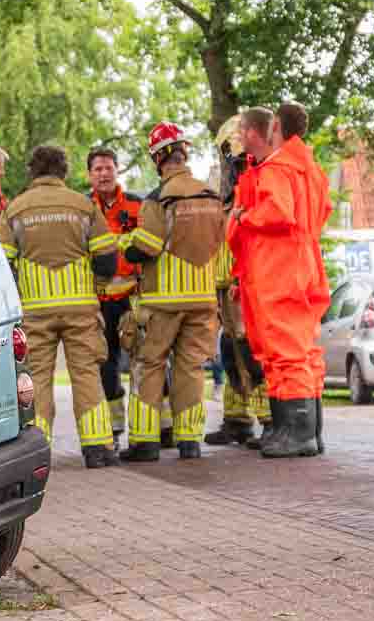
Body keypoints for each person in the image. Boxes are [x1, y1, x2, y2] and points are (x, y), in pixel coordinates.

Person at [0, 145, 123, 468]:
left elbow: (2, 265)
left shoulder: (16, 209)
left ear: (32, 172)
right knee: (86, 375)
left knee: (37, 378)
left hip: (35, 309)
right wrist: (93, 289)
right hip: (80, 308)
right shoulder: (83, 206)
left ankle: (39, 451)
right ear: (63, 172)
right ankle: (98, 449)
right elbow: (108, 259)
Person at [229, 103, 333, 458]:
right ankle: (306, 431)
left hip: (277, 269)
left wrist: (243, 216)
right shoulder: (310, 170)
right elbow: (321, 212)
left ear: (274, 127)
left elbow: (277, 211)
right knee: (303, 350)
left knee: (285, 350)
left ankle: (297, 433)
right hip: (303, 262)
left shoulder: (277, 169)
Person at [120, 122, 227, 461]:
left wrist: (125, 246)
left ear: (158, 158)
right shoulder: (212, 197)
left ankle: (145, 442)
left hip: (163, 301)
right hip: (202, 298)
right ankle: (190, 441)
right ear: (184, 153)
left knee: (149, 365)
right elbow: (222, 245)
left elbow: (147, 248)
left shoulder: (158, 199)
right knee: (191, 369)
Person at [203, 115, 270, 447]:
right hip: (226, 286)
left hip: (244, 286)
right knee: (231, 352)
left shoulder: (255, 190)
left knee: (252, 353)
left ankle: (269, 420)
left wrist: (241, 279)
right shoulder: (229, 196)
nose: (230, 164)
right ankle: (237, 419)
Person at [86, 146, 143, 448]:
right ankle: (114, 428)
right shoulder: (83, 207)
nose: (104, 174)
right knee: (105, 363)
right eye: (98, 169)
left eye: (108, 168)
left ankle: (162, 427)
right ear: (89, 175)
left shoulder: (137, 205)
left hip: (134, 297)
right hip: (100, 300)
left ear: (117, 170)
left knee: (146, 359)